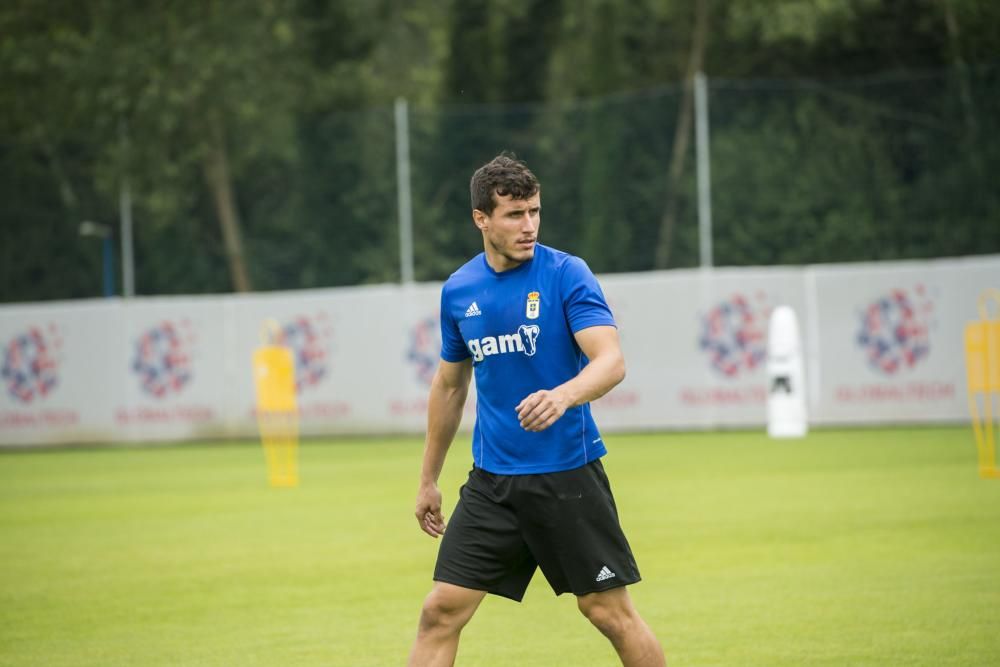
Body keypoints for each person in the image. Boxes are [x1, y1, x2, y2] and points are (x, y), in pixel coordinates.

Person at [407, 154, 665, 667]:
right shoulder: (459, 290)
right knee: (440, 612)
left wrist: (564, 394)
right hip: (492, 484)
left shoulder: (567, 274)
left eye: (535, 212)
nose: (529, 226)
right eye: (514, 214)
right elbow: (450, 385)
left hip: (566, 476)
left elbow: (610, 361)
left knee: (608, 613)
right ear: (482, 219)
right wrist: (428, 478)